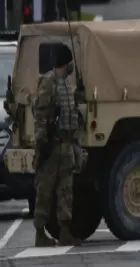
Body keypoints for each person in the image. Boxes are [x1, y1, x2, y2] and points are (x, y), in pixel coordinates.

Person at [33, 44, 83, 247]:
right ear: (66, 62)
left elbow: (71, 114)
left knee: (66, 192)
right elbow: (41, 115)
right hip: (52, 146)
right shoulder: (49, 82)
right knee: (44, 190)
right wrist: (41, 144)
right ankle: (40, 233)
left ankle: (65, 232)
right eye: (71, 62)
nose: (72, 66)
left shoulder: (65, 84)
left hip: (66, 145)